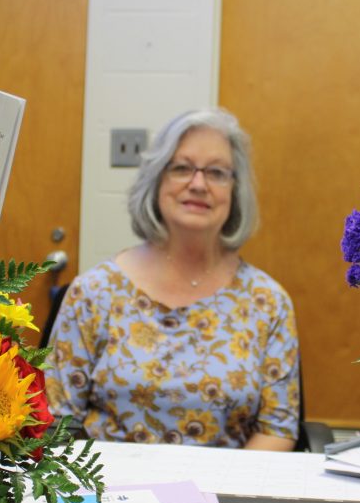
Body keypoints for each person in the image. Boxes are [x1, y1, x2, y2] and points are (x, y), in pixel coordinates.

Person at [45, 108, 299, 450]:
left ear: (235, 190)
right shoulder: (93, 293)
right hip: (108, 494)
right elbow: (56, 422)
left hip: (223, 499)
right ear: (156, 180)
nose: (198, 184)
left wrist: (216, 498)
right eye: (181, 168)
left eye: (217, 173)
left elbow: (277, 428)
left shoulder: (268, 302)